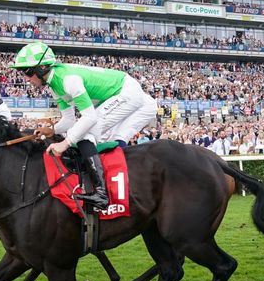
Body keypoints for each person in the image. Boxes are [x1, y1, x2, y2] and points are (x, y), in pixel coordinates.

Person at [11, 41, 157, 210]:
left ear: (42, 68)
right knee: (82, 132)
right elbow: (69, 120)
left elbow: (89, 118)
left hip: (127, 92)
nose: (26, 79)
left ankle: (102, 193)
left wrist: (64, 144)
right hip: (120, 93)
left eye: (27, 73)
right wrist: (52, 131)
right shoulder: (54, 85)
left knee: (85, 132)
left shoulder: (68, 80)